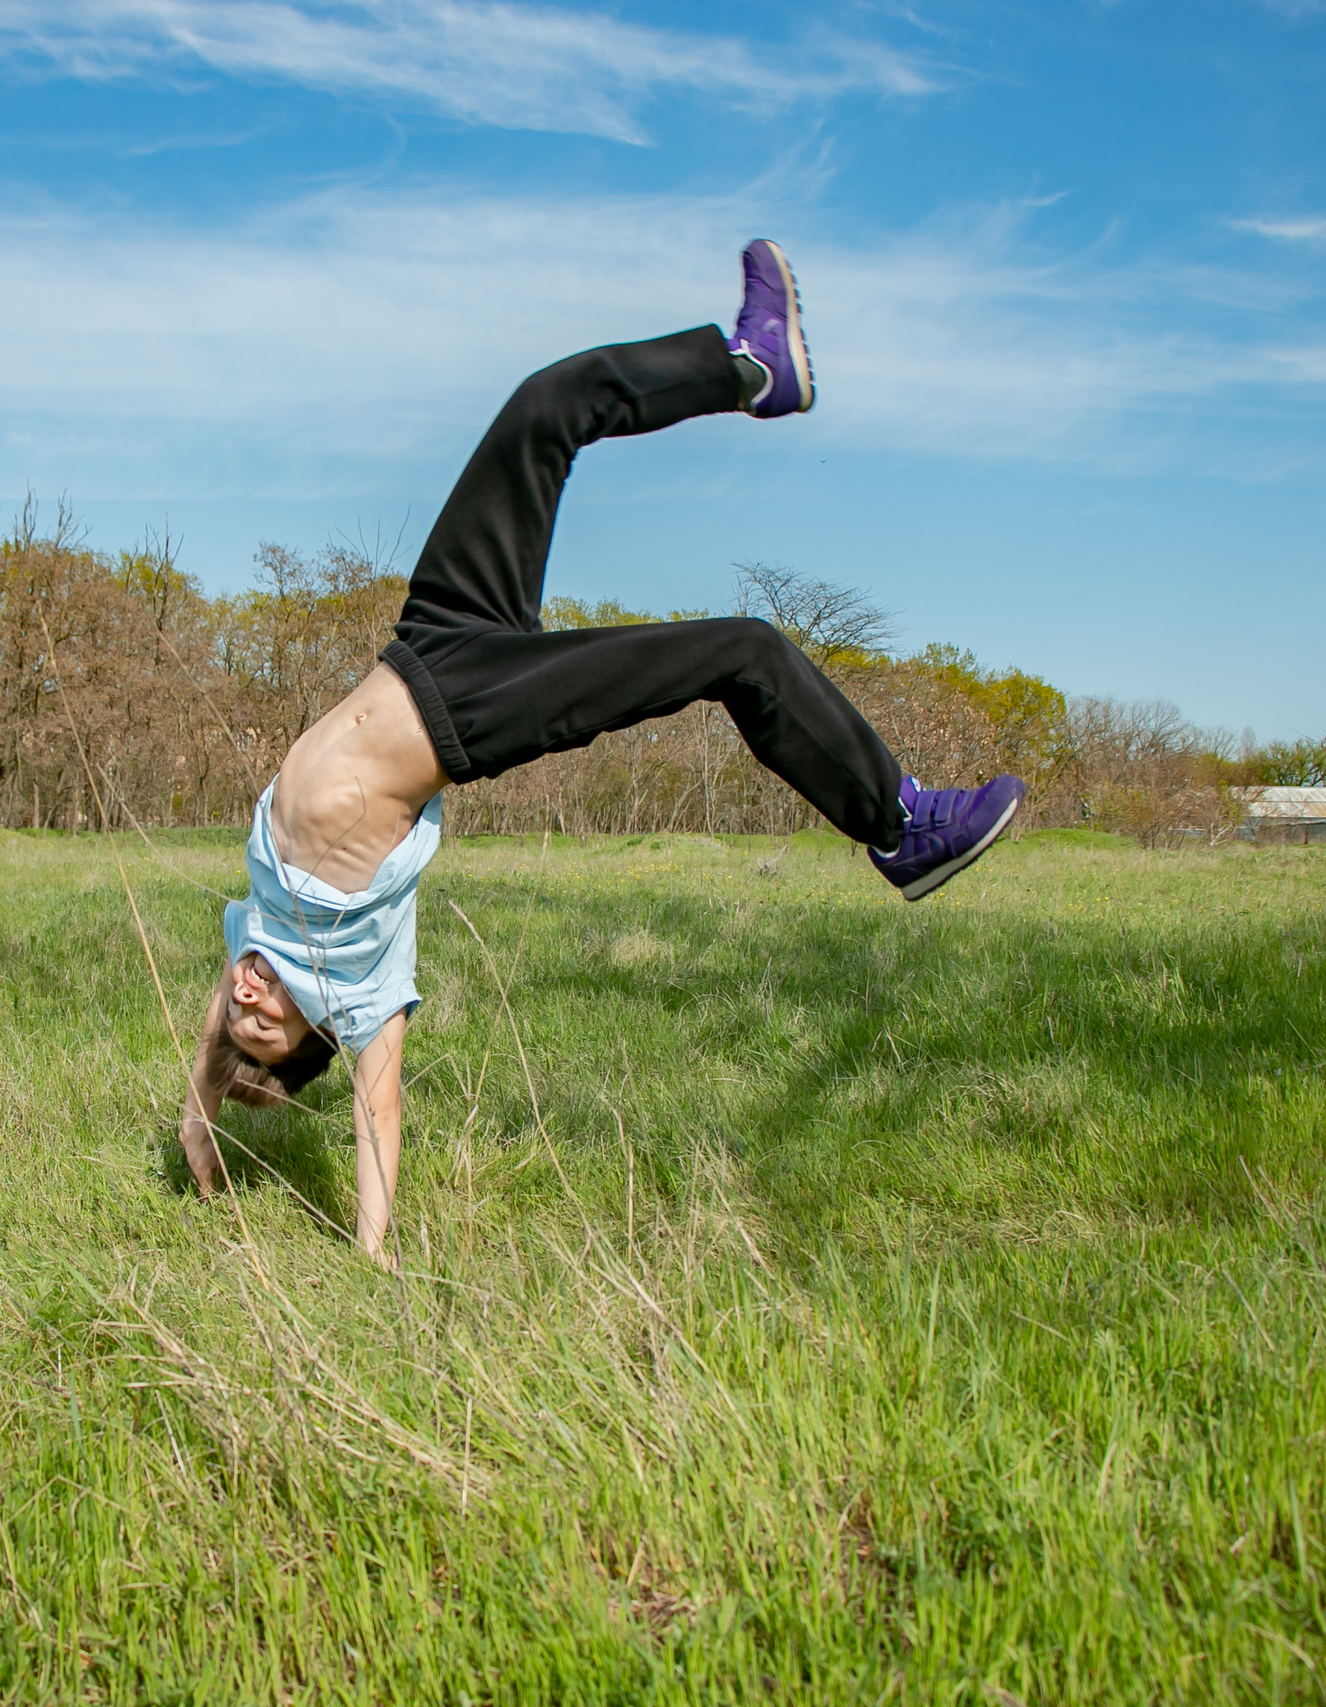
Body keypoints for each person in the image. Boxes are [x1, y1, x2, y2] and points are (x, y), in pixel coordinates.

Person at [176, 241, 1026, 1262]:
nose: (248, 1000)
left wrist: (201, 1105)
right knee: (741, 652)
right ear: (318, 1029)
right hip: (467, 714)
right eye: (267, 1024)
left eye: (241, 1005)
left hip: (434, 637)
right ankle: (901, 826)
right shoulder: (356, 997)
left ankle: (750, 366)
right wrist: (373, 1255)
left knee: (546, 402)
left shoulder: (253, 945)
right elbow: (377, 1116)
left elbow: (224, 1033)